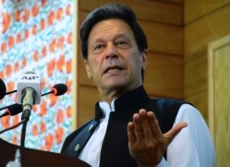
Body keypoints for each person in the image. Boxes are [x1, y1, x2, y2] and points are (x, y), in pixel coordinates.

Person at [61, 3, 216, 167]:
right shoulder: (72, 142)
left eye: (121, 43)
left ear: (144, 57)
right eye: (99, 47)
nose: (110, 52)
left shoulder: (178, 116)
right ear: (88, 68)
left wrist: (154, 163)